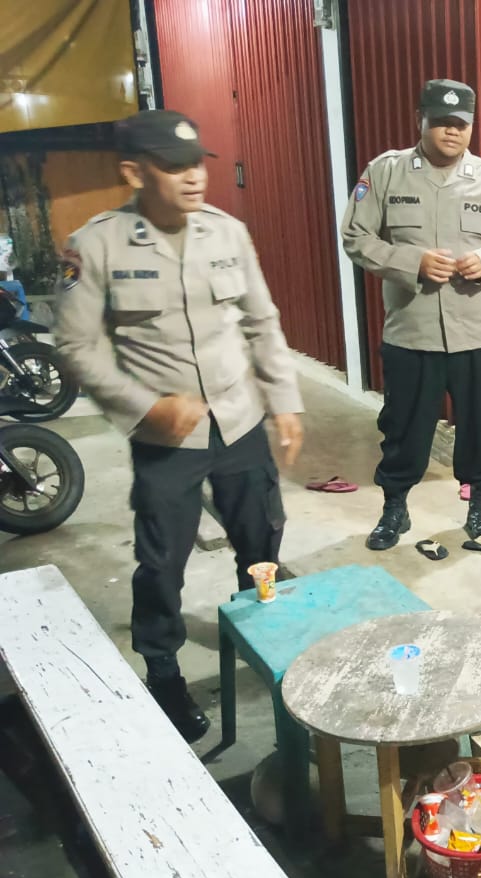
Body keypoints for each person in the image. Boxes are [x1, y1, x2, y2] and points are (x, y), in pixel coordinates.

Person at [53, 110, 304, 743]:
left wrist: (284, 401)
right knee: (162, 561)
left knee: (262, 544)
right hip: (166, 437)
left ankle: (266, 642)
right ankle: (163, 671)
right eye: (174, 166)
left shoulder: (228, 232)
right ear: (135, 172)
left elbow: (262, 322)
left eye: (197, 164)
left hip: (239, 420)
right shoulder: (97, 244)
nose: (194, 177)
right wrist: (146, 406)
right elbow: (76, 346)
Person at [341, 78, 481, 552]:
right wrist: (412, 263)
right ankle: (394, 508)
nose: (452, 131)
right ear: (420, 120)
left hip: (478, 334)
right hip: (413, 332)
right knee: (403, 428)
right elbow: (356, 238)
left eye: (461, 124)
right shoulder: (385, 173)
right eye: (441, 122)